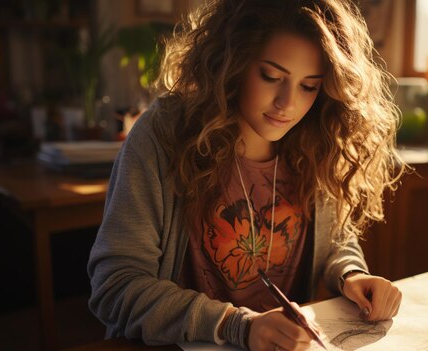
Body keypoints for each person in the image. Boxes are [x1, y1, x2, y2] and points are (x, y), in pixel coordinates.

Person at [88, 0, 406, 350]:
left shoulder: (317, 142)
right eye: (271, 76)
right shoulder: (164, 135)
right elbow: (116, 286)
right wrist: (235, 325)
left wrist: (351, 274)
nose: (287, 103)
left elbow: (335, 242)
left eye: (309, 86)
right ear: (232, 62)